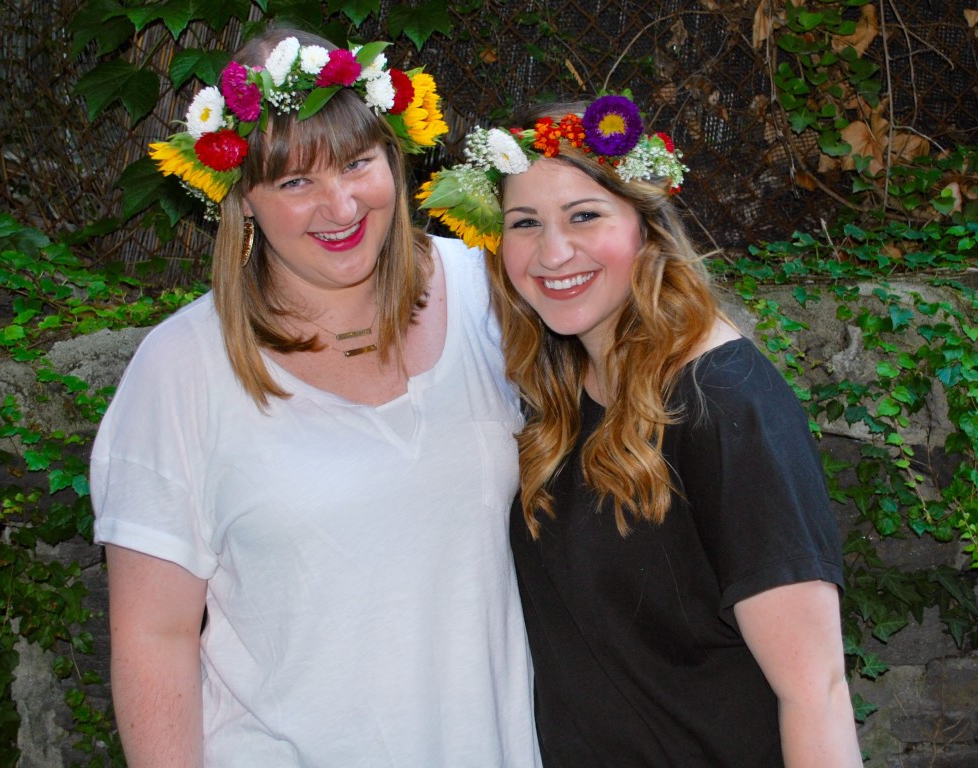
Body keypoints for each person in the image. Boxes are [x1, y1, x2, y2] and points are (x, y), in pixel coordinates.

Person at [90, 26, 542, 767]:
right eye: (296, 181)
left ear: (394, 155)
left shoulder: (488, 292)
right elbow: (154, 636)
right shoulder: (183, 368)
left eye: (358, 163)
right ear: (244, 199)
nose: (340, 206)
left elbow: (638, 332)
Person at [419, 95, 863, 767]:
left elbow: (817, 691)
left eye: (585, 216)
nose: (553, 251)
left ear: (646, 227)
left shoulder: (725, 401)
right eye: (525, 223)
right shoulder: (553, 395)